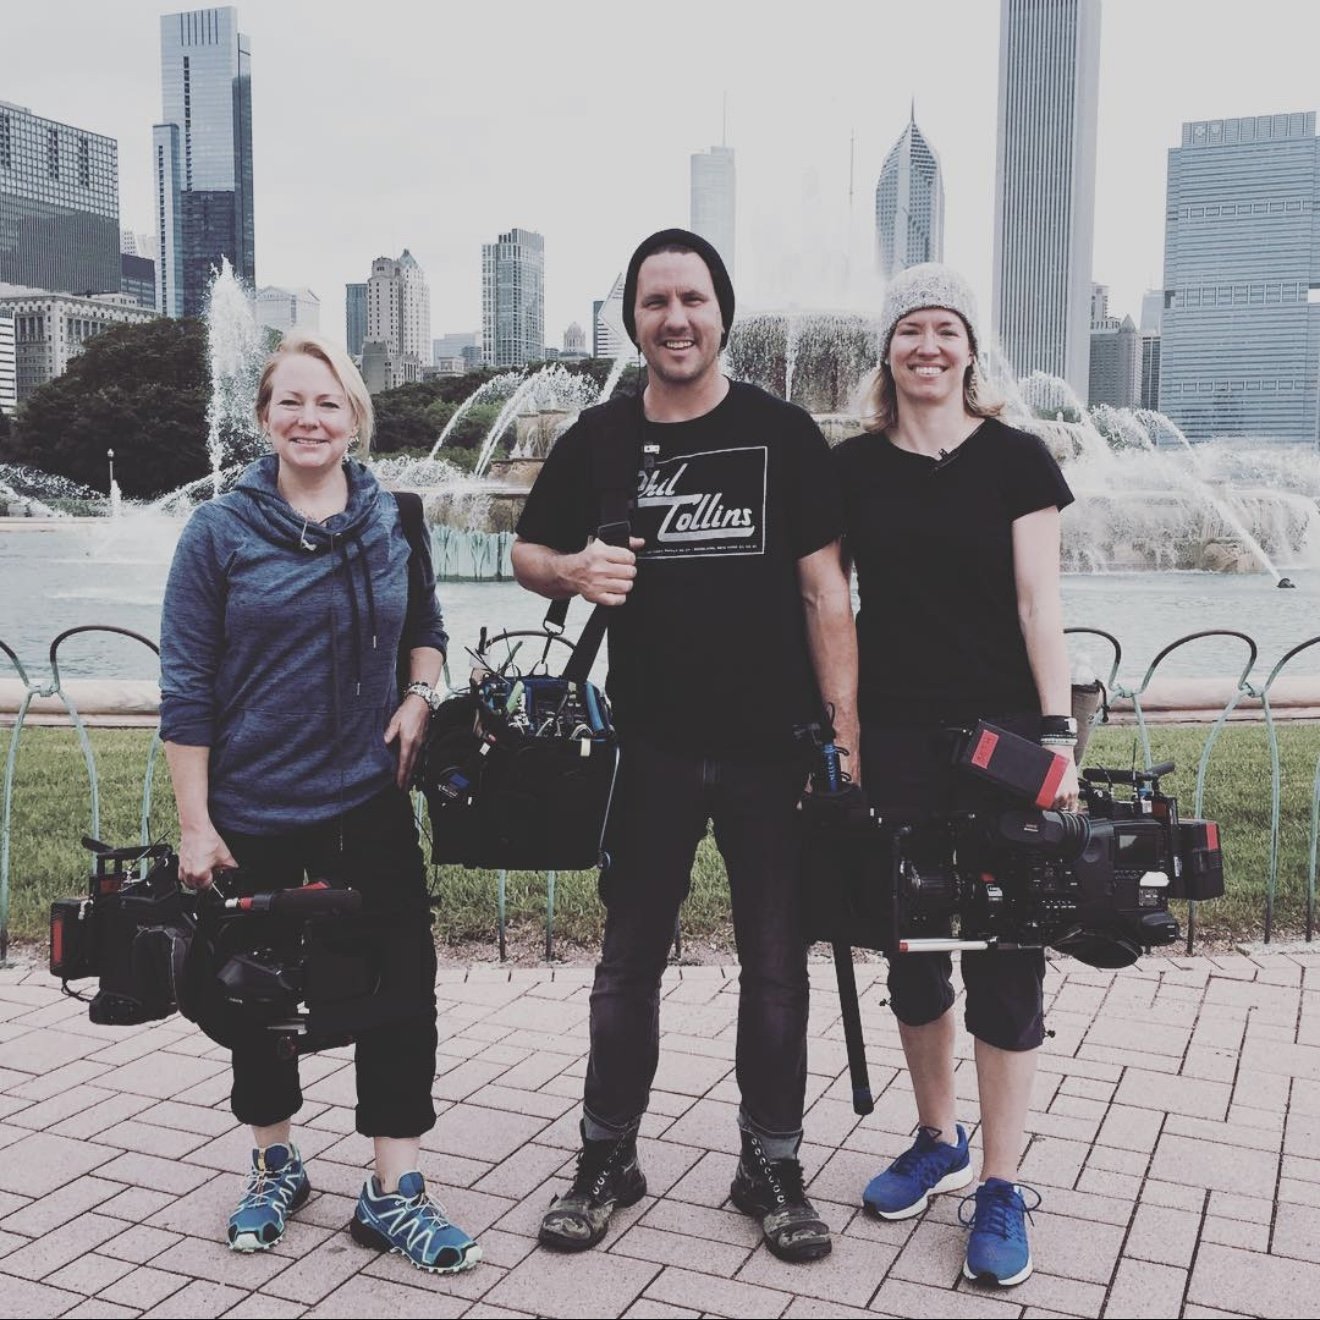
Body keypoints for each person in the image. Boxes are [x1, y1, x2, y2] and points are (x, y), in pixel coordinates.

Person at [512, 228, 858, 1263]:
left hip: (773, 751)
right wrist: (573, 571)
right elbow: (527, 551)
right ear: (632, 320)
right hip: (648, 749)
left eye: (693, 298)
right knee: (626, 967)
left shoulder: (783, 433)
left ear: (723, 313)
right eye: (655, 301)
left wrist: (843, 738)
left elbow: (825, 593)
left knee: (776, 969)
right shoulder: (600, 438)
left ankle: (771, 1165)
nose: (675, 318)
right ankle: (607, 1155)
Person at [159, 332, 480, 1274]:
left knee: (402, 991)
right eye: (291, 402)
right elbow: (187, 689)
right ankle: (275, 1165)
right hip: (254, 807)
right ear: (265, 417)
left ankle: (394, 1191)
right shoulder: (218, 532)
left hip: (368, 802)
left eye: (328, 402)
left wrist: (418, 694)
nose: (309, 418)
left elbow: (426, 627)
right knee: (256, 997)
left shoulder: (394, 518)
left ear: (354, 419)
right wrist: (195, 824)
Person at [832, 263, 1078, 1287]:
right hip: (895, 739)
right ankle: (939, 1139)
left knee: (1009, 958)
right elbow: (830, 607)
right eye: (909, 329)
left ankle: (1002, 1181)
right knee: (914, 951)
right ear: (886, 350)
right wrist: (841, 733)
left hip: (1002, 739)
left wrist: (1058, 734)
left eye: (945, 329)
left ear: (971, 348)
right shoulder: (850, 469)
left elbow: (1038, 604)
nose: (927, 346)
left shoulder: (1018, 459)